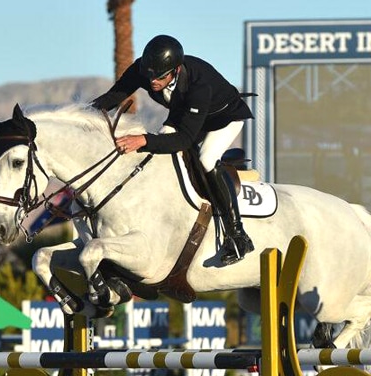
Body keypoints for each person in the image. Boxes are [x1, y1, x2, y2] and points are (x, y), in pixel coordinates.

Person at [91, 34, 254, 266]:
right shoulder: (144, 69)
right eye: (149, 76)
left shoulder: (199, 84)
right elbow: (115, 95)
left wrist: (143, 140)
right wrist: (82, 114)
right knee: (158, 153)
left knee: (206, 159)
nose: (153, 82)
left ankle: (238, 236)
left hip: (223, 118)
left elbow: (185, 139)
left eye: (159, 77)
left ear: (176, 70)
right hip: (186, 114)